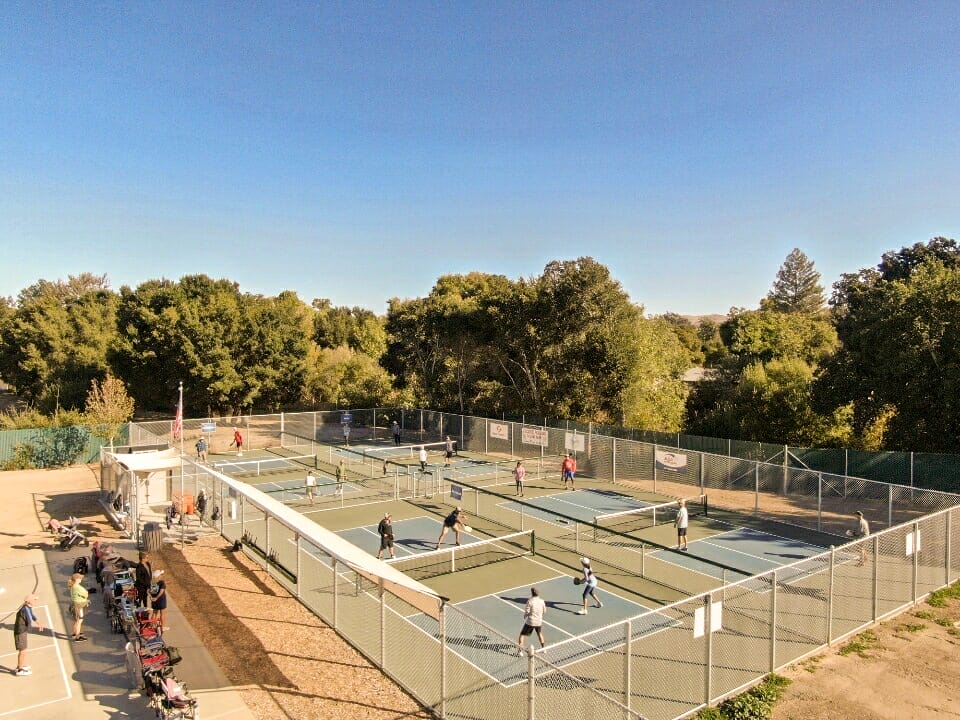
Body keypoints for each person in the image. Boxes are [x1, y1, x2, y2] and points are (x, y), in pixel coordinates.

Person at [14, 593, 44, 676]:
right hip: (20, 632)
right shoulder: (25, 610)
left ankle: (21, 665)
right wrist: (32, 628)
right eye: (34, 600)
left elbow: (32, 615)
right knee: (22, 651)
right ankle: (20, 670)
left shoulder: (27, 607)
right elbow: (29, 620)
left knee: (23, 650)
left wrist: (38, 622)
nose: (35, 601)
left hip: (22, 631)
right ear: (29, 601)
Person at [517, 587, 546, 653]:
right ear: (538, 594)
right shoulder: (542, 601)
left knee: (522, 635)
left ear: (532, 593)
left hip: (530, 622)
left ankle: (520, 651)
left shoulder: (530, 601)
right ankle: (543, 649)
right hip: (539, 621)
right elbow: (544, 611)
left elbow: (527, 612)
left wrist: (525, 615)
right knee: (539, 633)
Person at [68, 573, 89, 641]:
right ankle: (78, 636)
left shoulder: (73, 586)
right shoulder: (77, 587)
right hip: (78, 605)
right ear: (76, 579)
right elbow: (86, 594)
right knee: (79, 620)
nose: (81, 579)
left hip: (74, 605)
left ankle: (75, 633)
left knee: (76, 620)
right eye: (80, 578)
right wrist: (85, 596)